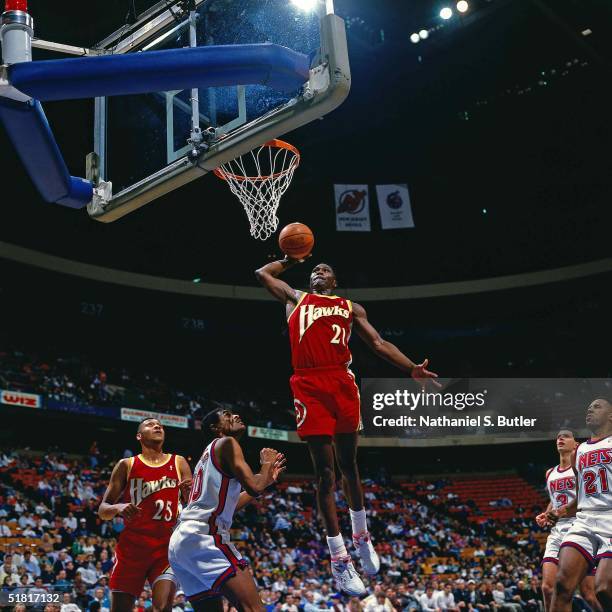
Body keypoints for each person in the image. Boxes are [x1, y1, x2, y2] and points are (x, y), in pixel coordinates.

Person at [256, 258, 439, 594]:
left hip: (341, 382)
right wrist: (289, 260)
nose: (317, 272)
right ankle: (339, 560)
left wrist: (411, 368)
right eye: (314, 270)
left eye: (324, 270)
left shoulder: (350, 307)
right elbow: (262, 274)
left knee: (349, 465)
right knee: (325, 474)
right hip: (308, 385)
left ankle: (361, 536)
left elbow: (379, 344)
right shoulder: (295, 299)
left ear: (335, 281)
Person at [168, 408, 286, 612]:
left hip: (180, 542)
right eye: (227, 415)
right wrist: (266, 465)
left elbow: (233, 504)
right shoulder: (228, 443)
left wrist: (265, 478)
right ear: (216, 428)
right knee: (254, 609)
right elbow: (255, 486)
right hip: (203, 536)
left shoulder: (207, 455)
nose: (236, 416)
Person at [98, 418, 192, 612]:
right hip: (133, 547)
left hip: (166, 547)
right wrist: (118, 507)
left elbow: (192, 506)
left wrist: (188, 494)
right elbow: (102, 510)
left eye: (160, 425)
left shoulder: (179, 462)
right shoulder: (127, 465)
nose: (157, 426)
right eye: (150, 425)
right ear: (139, 436)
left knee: (163, 607)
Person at [550, 398, 612, 611]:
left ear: (611, 415)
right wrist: (562, 511)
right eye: (588, 407)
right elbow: (581, 496)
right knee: (562, 586)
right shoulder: (580, 451)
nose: (590, 409)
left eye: (597, 406)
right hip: (584, 519)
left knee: (604, 589)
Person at [536, 430, 599, 611]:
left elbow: (587, 498)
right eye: (558, 437)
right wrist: (547, 514)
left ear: (576, 444)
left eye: (566, 436)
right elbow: (554, 499)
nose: (560, 439)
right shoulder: (550, 473)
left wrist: (561, 512)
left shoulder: (581, 468)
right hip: (557, 532)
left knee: (588, 593)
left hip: (579, 528)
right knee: (547, 588)